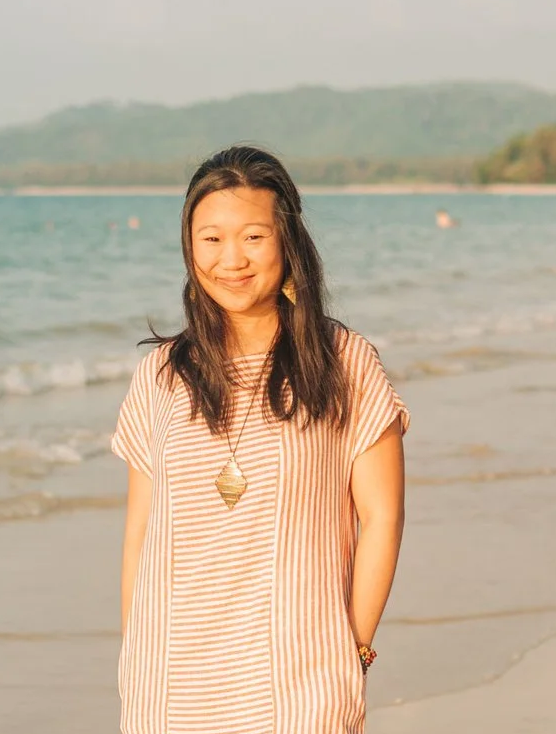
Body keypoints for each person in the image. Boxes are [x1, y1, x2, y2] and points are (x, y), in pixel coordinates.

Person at [112, 145, 409, 734]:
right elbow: (141, 533)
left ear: (287, 243)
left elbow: (383, 517)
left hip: (300, 686)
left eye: (252, 237)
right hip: (168, 688)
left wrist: (356, 651)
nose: (232, 260)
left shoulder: (345, 363)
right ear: (189, 247)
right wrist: (135, 659)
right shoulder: (161, 375)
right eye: (211, 239)